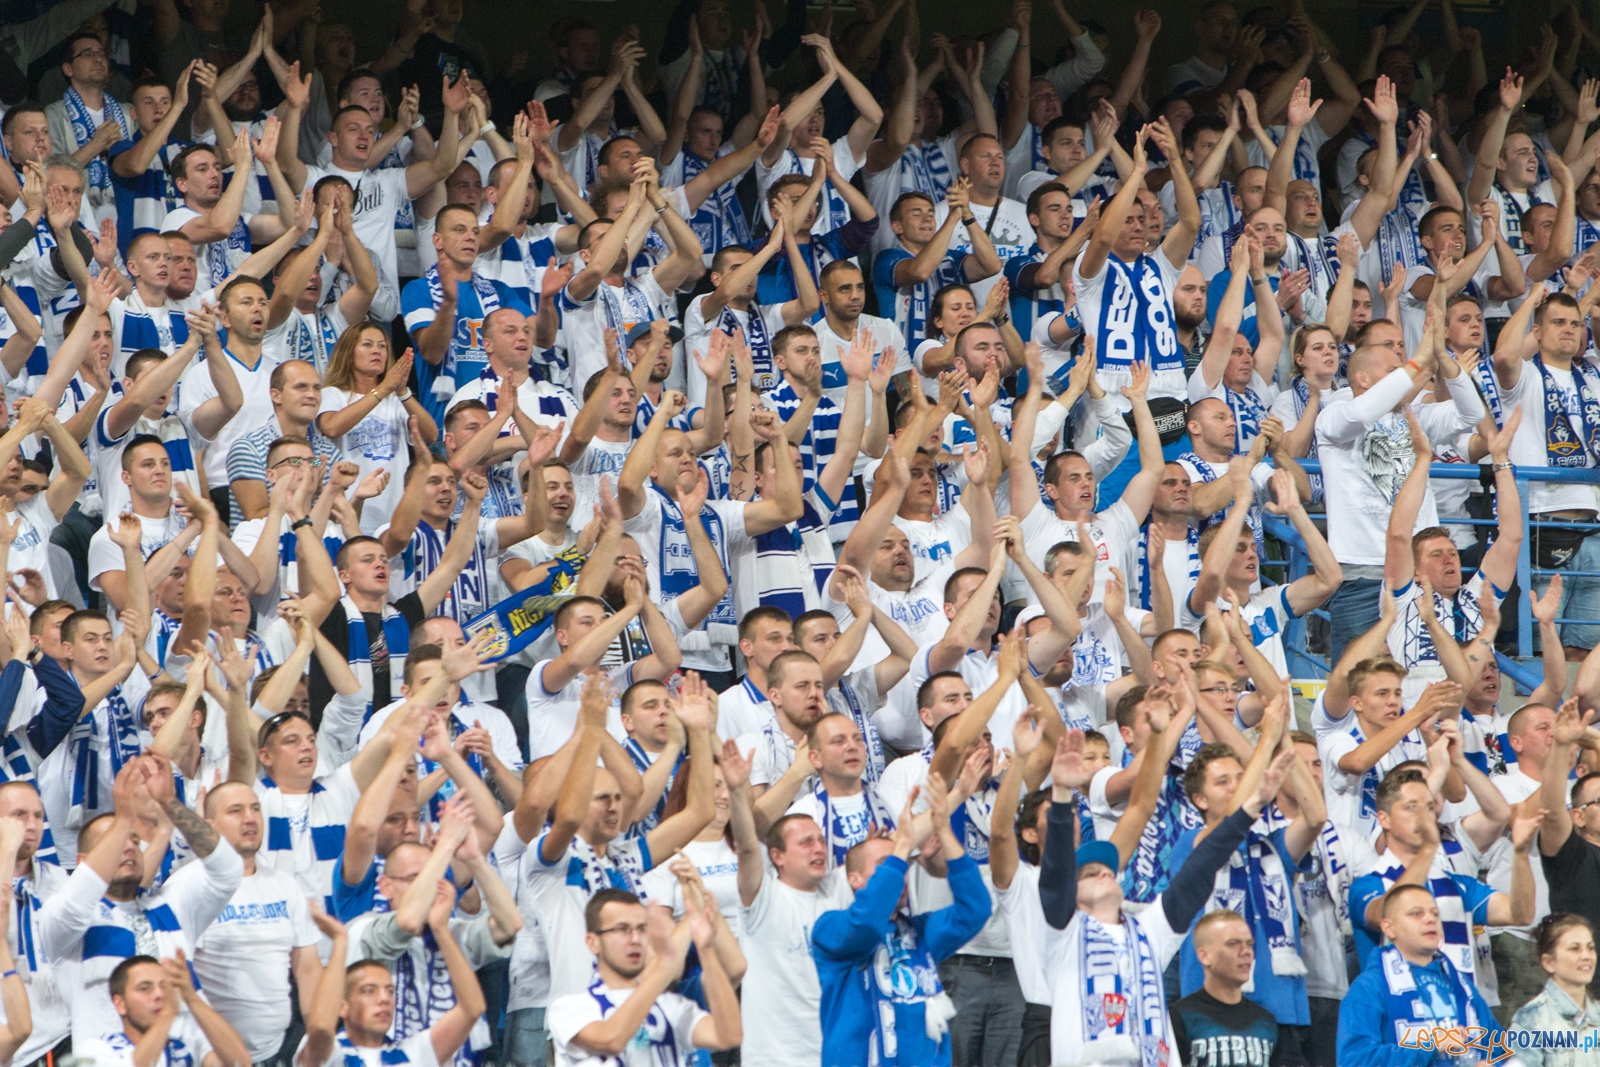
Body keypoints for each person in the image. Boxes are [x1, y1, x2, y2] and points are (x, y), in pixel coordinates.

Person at [811, 769, 991, 1067]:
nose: (900, 874)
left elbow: (976, 908)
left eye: (902, 866)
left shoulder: (921, 933)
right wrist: (903, 846)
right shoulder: (830, 930)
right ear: (854, 879)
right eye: (886, 865)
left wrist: (944, 831)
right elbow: (867, 923)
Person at [189, 780, 323, 1064]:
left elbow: (308, 969)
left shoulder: (284, 885)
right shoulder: (190, 889)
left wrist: (313, 1044)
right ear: (209, 825)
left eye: (255, 809)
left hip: (283, 1051)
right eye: (236, 811)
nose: (250, 818)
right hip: (214, 1056)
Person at [548, 887, 741, 1067]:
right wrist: (664, 965)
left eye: (641, 929)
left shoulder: (671, 1005)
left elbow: (729, 1036)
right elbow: (611, 1040)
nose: (635, 939)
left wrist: (706, 949)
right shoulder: (569, 1008)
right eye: (622, 929)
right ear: (592, 942)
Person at [1336, 883, 1502, 1065]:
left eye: (1435, 914)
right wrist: (1430, 1046)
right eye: (1416, 913)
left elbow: (1498, 1048)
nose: (1430, 919)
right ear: (1389, 928)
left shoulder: (1460, 983)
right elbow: (1354, 1060)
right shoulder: (1369, 987)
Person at [80, 953, 249, 1067]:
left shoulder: (183, 1046)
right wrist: (167, 1014)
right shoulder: (97, 1050)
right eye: (145, 988)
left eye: (164, 987)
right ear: (120, 1004)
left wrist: (191, 997)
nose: (159, 995)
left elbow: (240, 1063)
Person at [1169, 911, 1281, 1067]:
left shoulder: (1266, 1021)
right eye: (1232, 944)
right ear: (1204, 955)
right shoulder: (1179, 1017)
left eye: (1249, 944)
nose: (1246, 952)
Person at [1508, 913, 1600, 1066]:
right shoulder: (1531, 1020)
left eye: (1590, 948)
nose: (1586, 956)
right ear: (1549, 962)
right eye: (1574, 949)